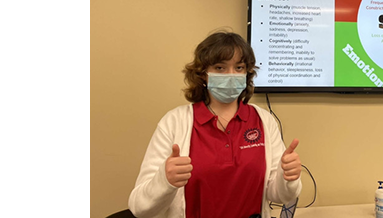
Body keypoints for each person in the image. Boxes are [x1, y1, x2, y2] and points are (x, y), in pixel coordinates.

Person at [129, 31, 302, 218]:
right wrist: (165, 180)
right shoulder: (174, 123)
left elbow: (278, 194)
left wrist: (288, 177)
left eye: (239, 67)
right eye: (220, 68)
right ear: (203, 74)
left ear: (247, 73)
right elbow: (139, 208)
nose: (231, 75)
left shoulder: (263, 120)